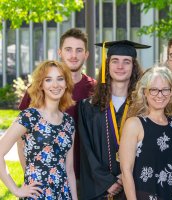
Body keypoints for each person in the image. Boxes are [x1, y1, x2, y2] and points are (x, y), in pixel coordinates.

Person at [18, 28, 96, 182]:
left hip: (86, 179)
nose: (73, 55)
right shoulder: (38, 89)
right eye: (68, 50)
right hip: (45, 179)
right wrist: (30, 176)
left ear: (86, 54)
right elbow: (21, 139)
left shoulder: (95, 90)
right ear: (60, 52)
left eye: (79, 50)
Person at [78, 40, 150, 199]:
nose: (120, 66)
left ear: (133, 67)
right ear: (107, 66)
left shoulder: (143, 107)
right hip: (100, 190)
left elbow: (149, 149)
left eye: (126, 62)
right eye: (115, 61)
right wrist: (107, 182)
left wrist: (124, 177)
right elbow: (86, 150)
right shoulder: (89, 107)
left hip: (134, 187)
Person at [0, 60, 77, 199]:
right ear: (41, 85)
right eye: (48, 80)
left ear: (66, 84)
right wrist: (16, 190)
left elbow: (69, 169)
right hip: (36, 195)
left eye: (60, 79)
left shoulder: (68, 122)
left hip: (63, 195)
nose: (55, 85)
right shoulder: (29, 116)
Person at [120, 66, 172, 200]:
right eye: (153, 90)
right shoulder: (135, 124)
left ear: (171, 93)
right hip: (142, 196)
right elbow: (126, 171)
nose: (160, 95)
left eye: (165, 90)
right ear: (144, 92)